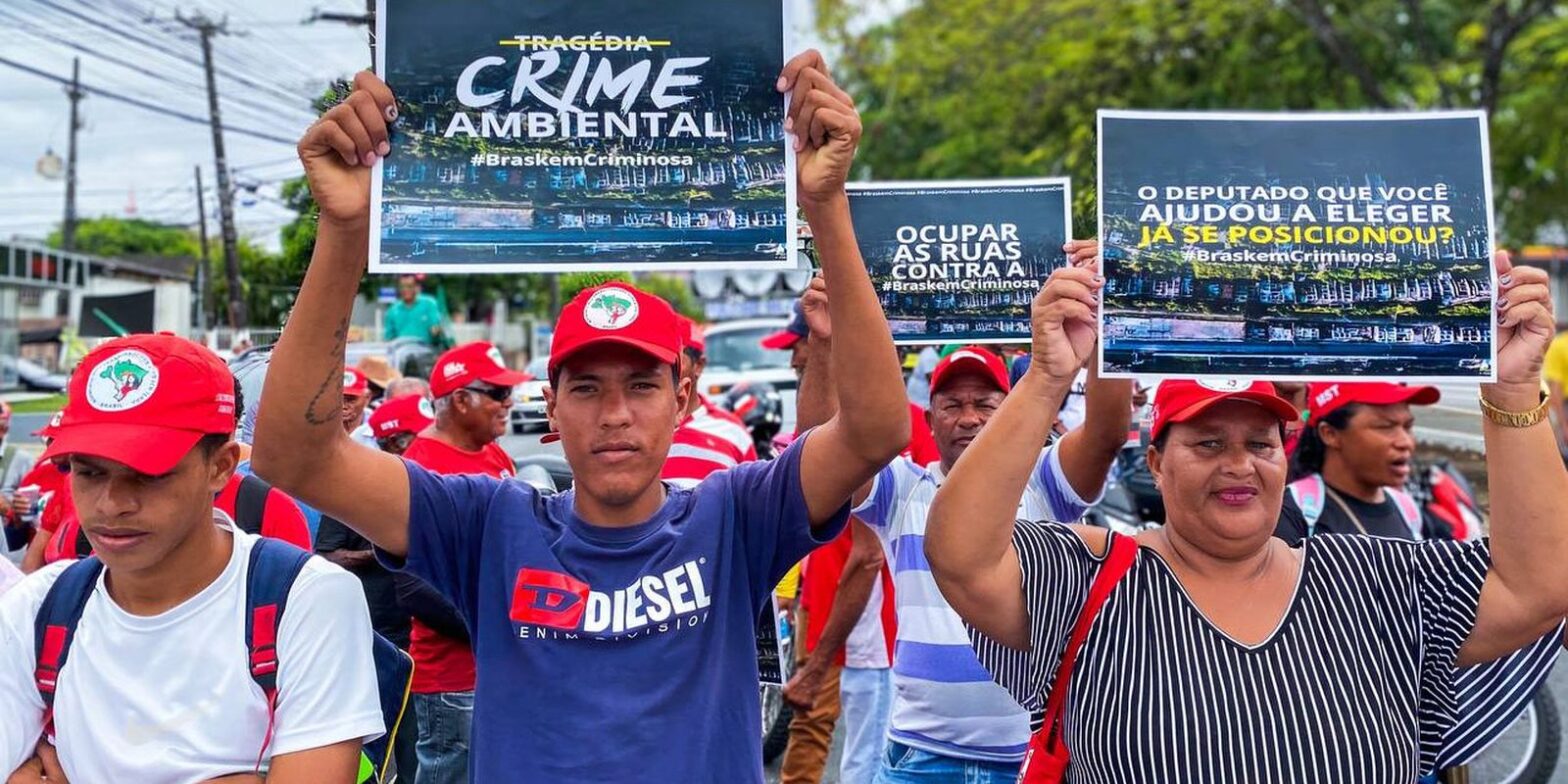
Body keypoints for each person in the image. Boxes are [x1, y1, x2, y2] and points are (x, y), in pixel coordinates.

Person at [252, 52, 908, 782]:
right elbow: (293, 454)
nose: (616, 413)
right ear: (552, 411)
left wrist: (828, 208)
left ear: (683, 402)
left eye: (642, 385)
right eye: (587, 388)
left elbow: (877, 429)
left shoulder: (736, 519)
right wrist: (343, 230)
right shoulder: (487, 526)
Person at [927, 254, 1568, 781]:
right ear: (1155, 461)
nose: (1238, 465)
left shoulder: (1370, 582)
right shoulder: (1091, 579)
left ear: (1284, 457)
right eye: (1208, 444)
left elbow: (1538, 586)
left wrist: (1512, 391)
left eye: (1259, 444)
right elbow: (960, 553)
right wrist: (1045, 376)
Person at [0, 333, 382, 783]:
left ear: (220, 467)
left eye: (148, 474)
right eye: (88, 472)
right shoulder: (38, 606)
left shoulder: (306, 599)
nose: (110, 504)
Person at [778, 281, 898, 784]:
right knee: (810, 733)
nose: (792, 360)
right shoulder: (826, 419)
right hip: (821, 608)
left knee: (864, 762)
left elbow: (868, 556)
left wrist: (823, 652)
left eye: (797, 346)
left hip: (864, 631)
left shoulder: (895, 429)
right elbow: (806, 474)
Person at [386, 341, 521, 784]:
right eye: (499, 394)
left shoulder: (495, 454)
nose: (510, 404)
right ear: (461, 400)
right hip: (453, 678)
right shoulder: (418, 468)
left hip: (500, 668)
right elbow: (412, 586)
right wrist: (493, 624)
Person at [317, 392, 434, 784]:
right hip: (378, 635)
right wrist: (380, 549)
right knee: (383, 740)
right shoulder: (359, 493)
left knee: (418, 740)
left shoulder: (427, 491)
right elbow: (327, 554)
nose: (423, 444)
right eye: (414, 437)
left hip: (420, 635)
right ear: (392, 442)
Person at [1278, 381, 1445, 542]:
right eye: (1385, 426)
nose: (1405, 442)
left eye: (1407, 427)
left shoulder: (1408, 510)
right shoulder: (1293, 513)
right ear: (1330, 434)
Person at [663, 316, 757, 488]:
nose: (666, 366)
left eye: (675, 357)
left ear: (699, 365)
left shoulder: (733, 433)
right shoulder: (633, 427)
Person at [385, 275, 446, 346]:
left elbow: (435, 326)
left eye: (409, 286)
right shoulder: (392, 310)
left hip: (426, 350)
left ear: (417, 288)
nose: (405, 290)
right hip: (402, 351)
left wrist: (436, 330)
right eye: (402, 287)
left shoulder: (429, 304)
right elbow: (389, 338)